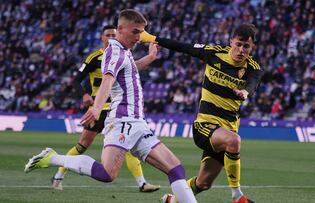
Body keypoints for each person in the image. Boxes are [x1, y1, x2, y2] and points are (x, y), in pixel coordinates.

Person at [24, 9, 197, 203]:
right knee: (107, 173)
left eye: (141, 32)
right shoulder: (115, 51)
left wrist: (150, 58)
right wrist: (97, 108)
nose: (139, 37)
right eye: (135, 31)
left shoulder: (124, 51)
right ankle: (52, 158)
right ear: (120, 29)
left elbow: (130, 69)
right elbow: (107, 80)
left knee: (176, 169)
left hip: (137, 122)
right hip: (124, 120)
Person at [141, 23, 262, 203]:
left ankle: (172, 201)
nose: (241, 50)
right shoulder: (213, 53)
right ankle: (237, 195)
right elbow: (182, 46)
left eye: (246, 46)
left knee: (203, 183)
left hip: (226, 130)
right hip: (204, 126)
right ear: (231, 42)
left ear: (252, 48)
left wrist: (246, 92)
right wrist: (151, 38)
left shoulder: (253, 67)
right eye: (238, 44)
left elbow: (252, 82)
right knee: (234, 141)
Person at [51, 25, 160, 192]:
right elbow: (76, 80)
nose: (110, 37)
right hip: (99, 109)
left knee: (128, 148)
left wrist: (151, 56)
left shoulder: (124, 55)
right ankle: (58, 176)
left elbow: (134, 67)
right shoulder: (94, 58)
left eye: (113, 34)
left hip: (118, 110)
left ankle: (142, 183)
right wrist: (84, 95)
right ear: (102, 38)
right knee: (82, 145)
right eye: (107, 34)